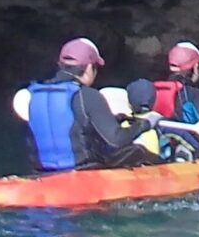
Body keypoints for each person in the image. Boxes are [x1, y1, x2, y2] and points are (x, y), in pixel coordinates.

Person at [24, 37, 159, 172]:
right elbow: (116, 140)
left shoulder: (33, 94)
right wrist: (146, 124)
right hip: (85, 171)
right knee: (138, 151)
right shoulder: (87, 95)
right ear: (89, 67)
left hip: (42, 172)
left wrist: (115, 119)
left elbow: (64, 123)